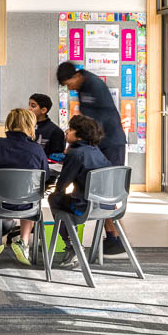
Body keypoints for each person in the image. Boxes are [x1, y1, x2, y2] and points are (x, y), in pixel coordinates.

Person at [57, 61, 127, 255]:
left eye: (68, 83)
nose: (69, 88)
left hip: (110, 143)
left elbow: (95, 124)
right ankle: (112, 237)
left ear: (77, 76)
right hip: (100, 142)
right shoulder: (83, 87)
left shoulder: (93, 85)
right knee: (97, 190)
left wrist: (77, 146)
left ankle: (116, 237)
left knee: (106, 191)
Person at [0, 108, 47, 266]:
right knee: (32, 196)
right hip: (28, 205)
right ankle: (23, 242)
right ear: (30, 125)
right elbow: (45, 175)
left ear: (9, 123)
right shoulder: (37, 149)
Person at [48, 114, 111, 269]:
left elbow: (63, 184)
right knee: (64, 200)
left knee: (54, 199)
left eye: (70, 129)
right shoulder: (96, 151)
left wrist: (54, 189)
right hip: (106, 205)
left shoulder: (75, 153)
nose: (66, 131)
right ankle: (73, 242)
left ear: (79, 135)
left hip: (84, 206)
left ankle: (72, 244)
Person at [28, 93, 64, 158]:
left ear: (43, 110)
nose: (29, 109)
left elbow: (56, 158)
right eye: (29, 105)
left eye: (33, 106)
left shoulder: (55, 131)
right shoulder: (24, 126)